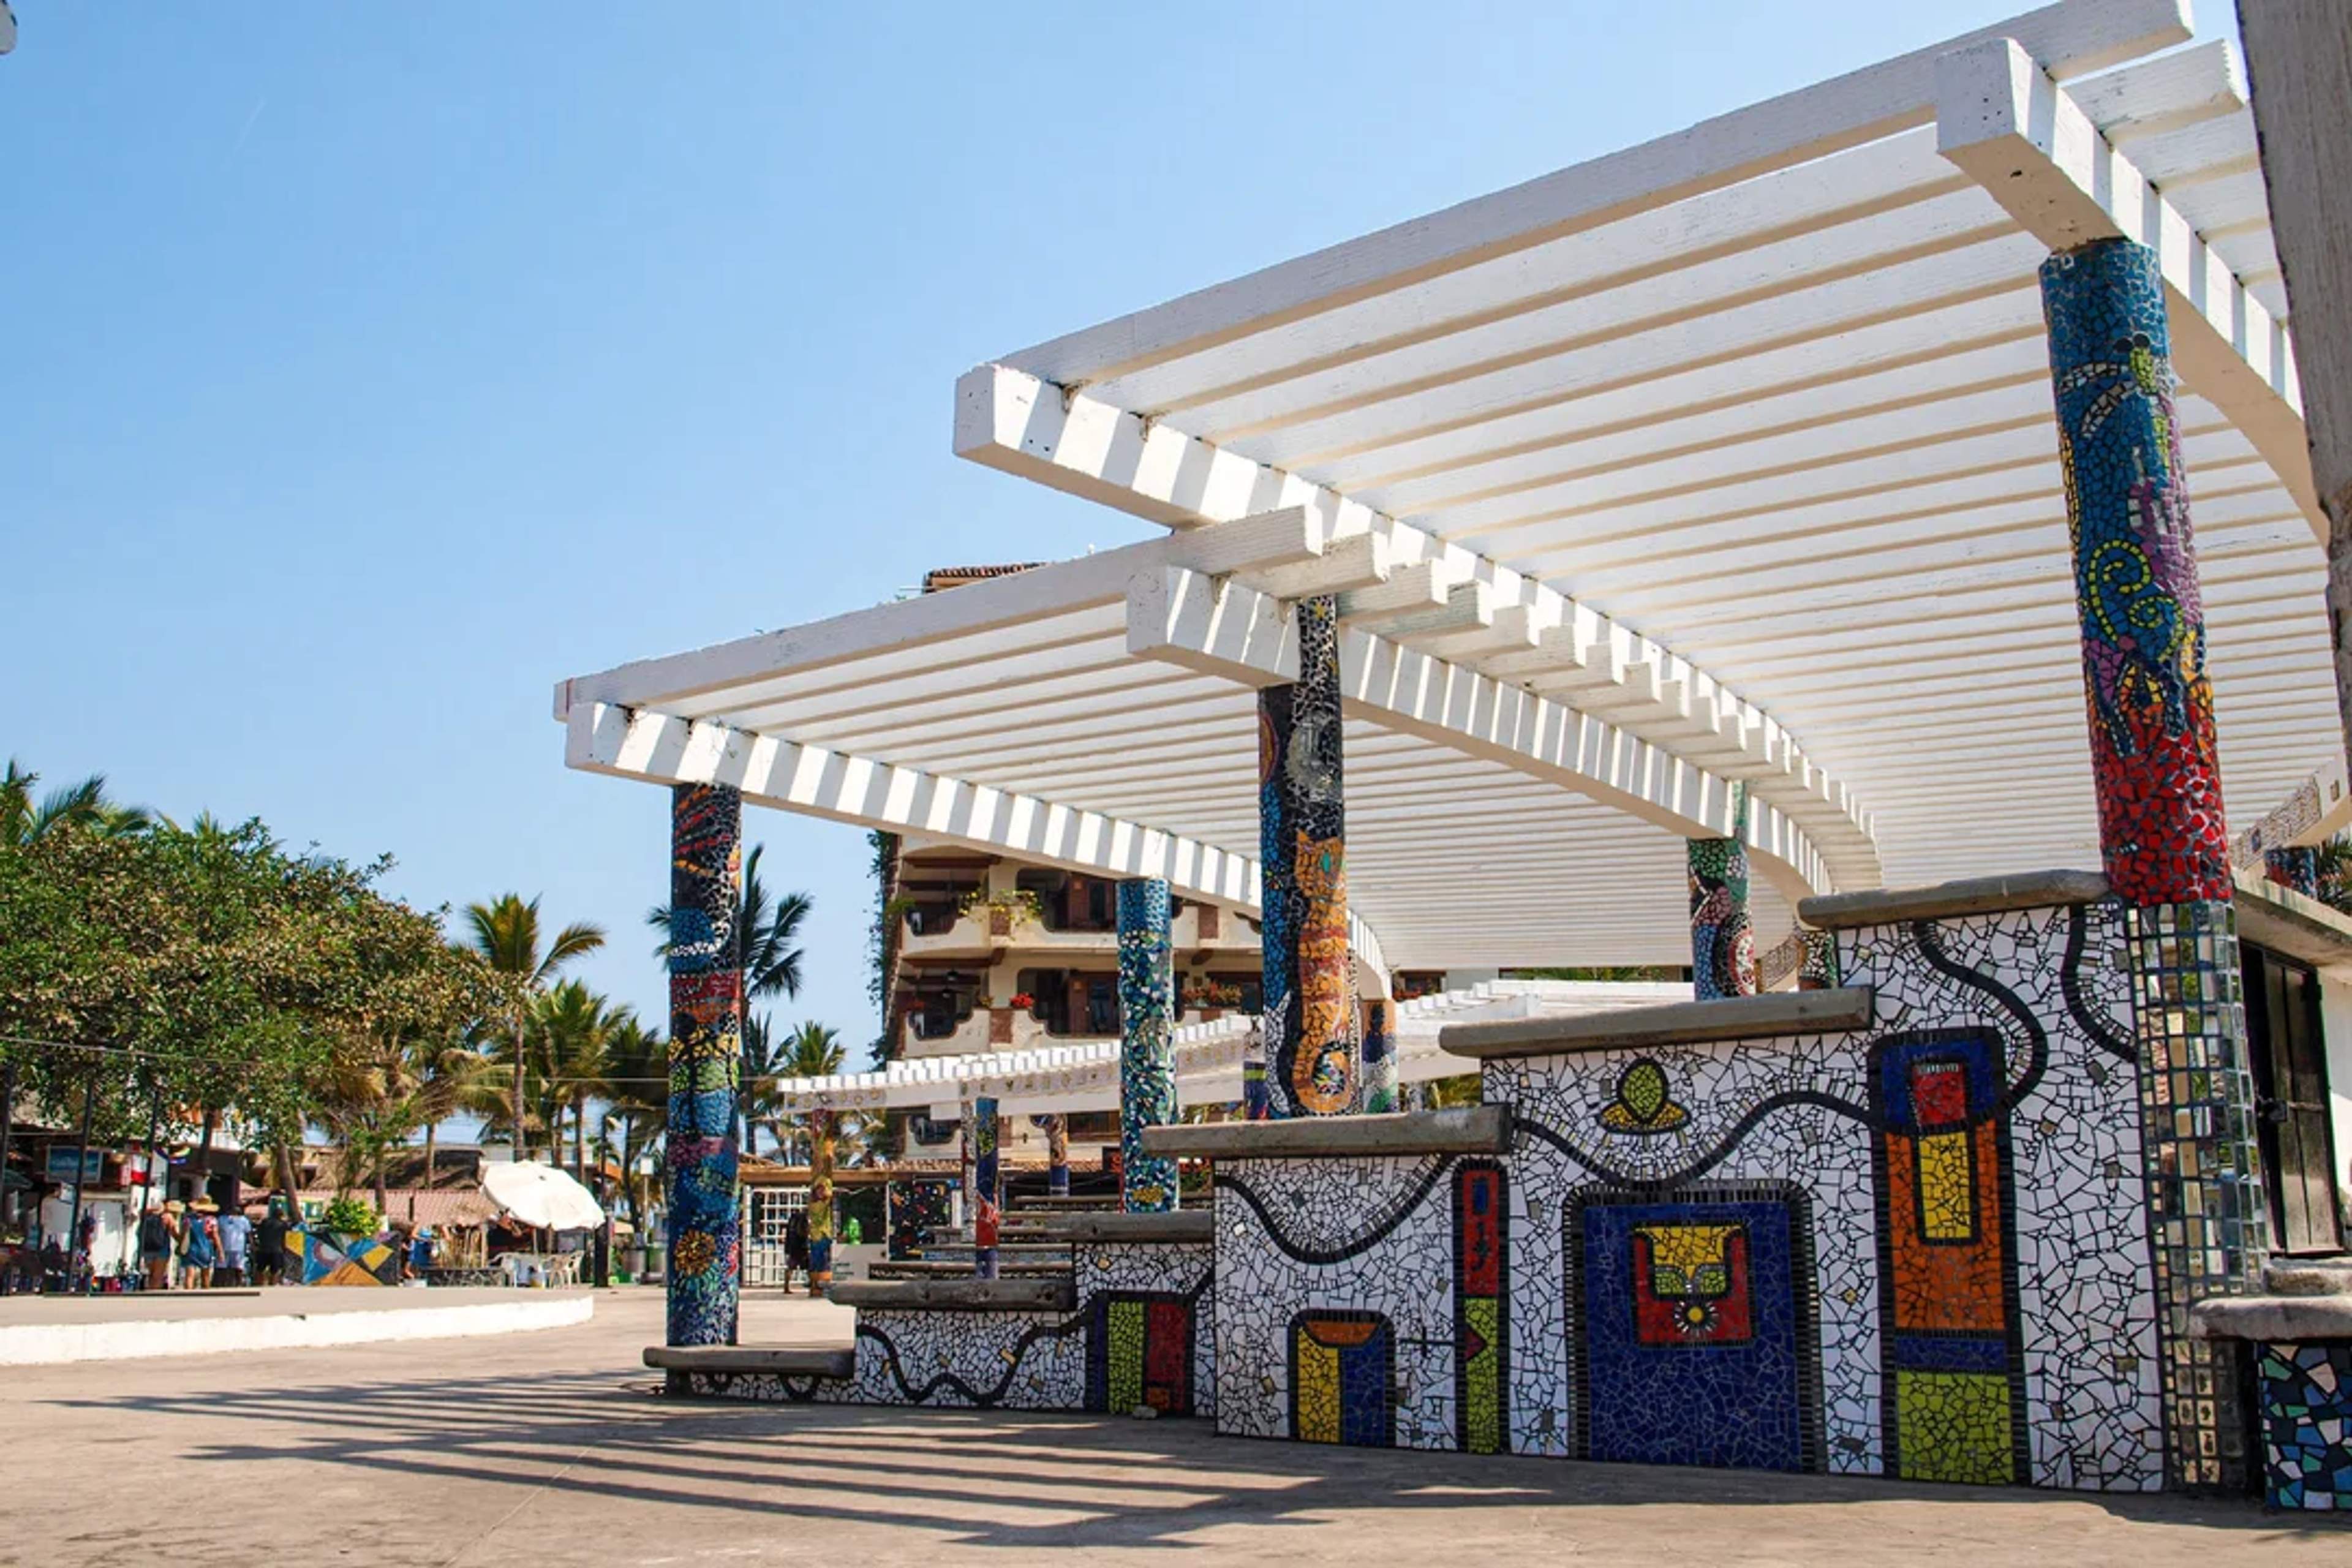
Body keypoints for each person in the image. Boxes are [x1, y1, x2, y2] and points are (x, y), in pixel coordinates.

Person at [180, 1199, 220, 1290]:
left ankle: (188, 1295)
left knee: (190, 1276)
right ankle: (205, 1294)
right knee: (206, 1275)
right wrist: (220, 1251)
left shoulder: (188, 1220)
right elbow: (215, 1236)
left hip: (191, 1249)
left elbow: (183, 1235)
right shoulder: (211, 1220)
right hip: (206, 1249)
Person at [252, 1198, 290, 1286]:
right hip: (277, 1250)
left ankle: (259, 1284)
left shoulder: (265, 1222)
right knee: (275, 1270)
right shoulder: (283, 1225)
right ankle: (272, 1284)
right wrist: (285, 1249)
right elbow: (284, 1238)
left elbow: (259, 1232)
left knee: (260, 1269)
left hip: (263, 1248)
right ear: (281, 1216)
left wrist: (258, 1244)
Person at [137, 1199, 172, 1292]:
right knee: (158, 1275)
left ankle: (150, 1290)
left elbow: (140, 1212)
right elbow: (174, 1232)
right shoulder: (167, 1217)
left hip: (148, 1248)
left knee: (151, 1274)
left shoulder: (145, 1217)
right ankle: (155, 1293)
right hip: (162, 1249)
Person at [214, 1203, 252, 1287]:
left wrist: (252, 1244)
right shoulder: (222, 1219)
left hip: (239, 1248)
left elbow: (248, 1233)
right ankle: (221, 1284)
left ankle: (238, 1284)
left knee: (238, 1267)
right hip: (224, 1247)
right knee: (221, 1267)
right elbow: (216, 1232)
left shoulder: (244, 1220)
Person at [783, 1208, 810, 1295]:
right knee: (810, 1266)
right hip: (801, 1247)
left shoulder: (792, 1220)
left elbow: (788, 1235)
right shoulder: (803, 1220)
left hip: (793, 1247)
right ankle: (813, 1284)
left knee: (791, 1267)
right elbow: (803, 1232)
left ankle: (786, 1286)